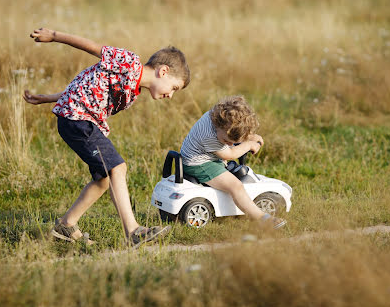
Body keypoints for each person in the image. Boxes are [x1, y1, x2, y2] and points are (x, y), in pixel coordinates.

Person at [23, 27, 190, 247]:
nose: (171, 95)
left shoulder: (132, 93)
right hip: (78, 119)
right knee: (118, 168)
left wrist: (48, 98)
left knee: (103, 179)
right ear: (164, 71)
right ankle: (133, 231)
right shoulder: (129, 62)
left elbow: (83, 87)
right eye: (174, 87)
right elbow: (93, 48)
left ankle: (66, 225)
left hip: (79, 119)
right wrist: (54, 36)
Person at [180, 95, 286, 229]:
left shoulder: (218, 119)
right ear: (219, 126)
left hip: (204, 156)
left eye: (233, 142)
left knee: (233, 167)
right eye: (226, 141)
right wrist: (248, 145)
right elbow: (230, 154)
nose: (230, 144)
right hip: (199, 164)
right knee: (236, 186)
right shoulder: (209, 136)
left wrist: (250, 136)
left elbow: (232, 136)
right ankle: (261, 217)